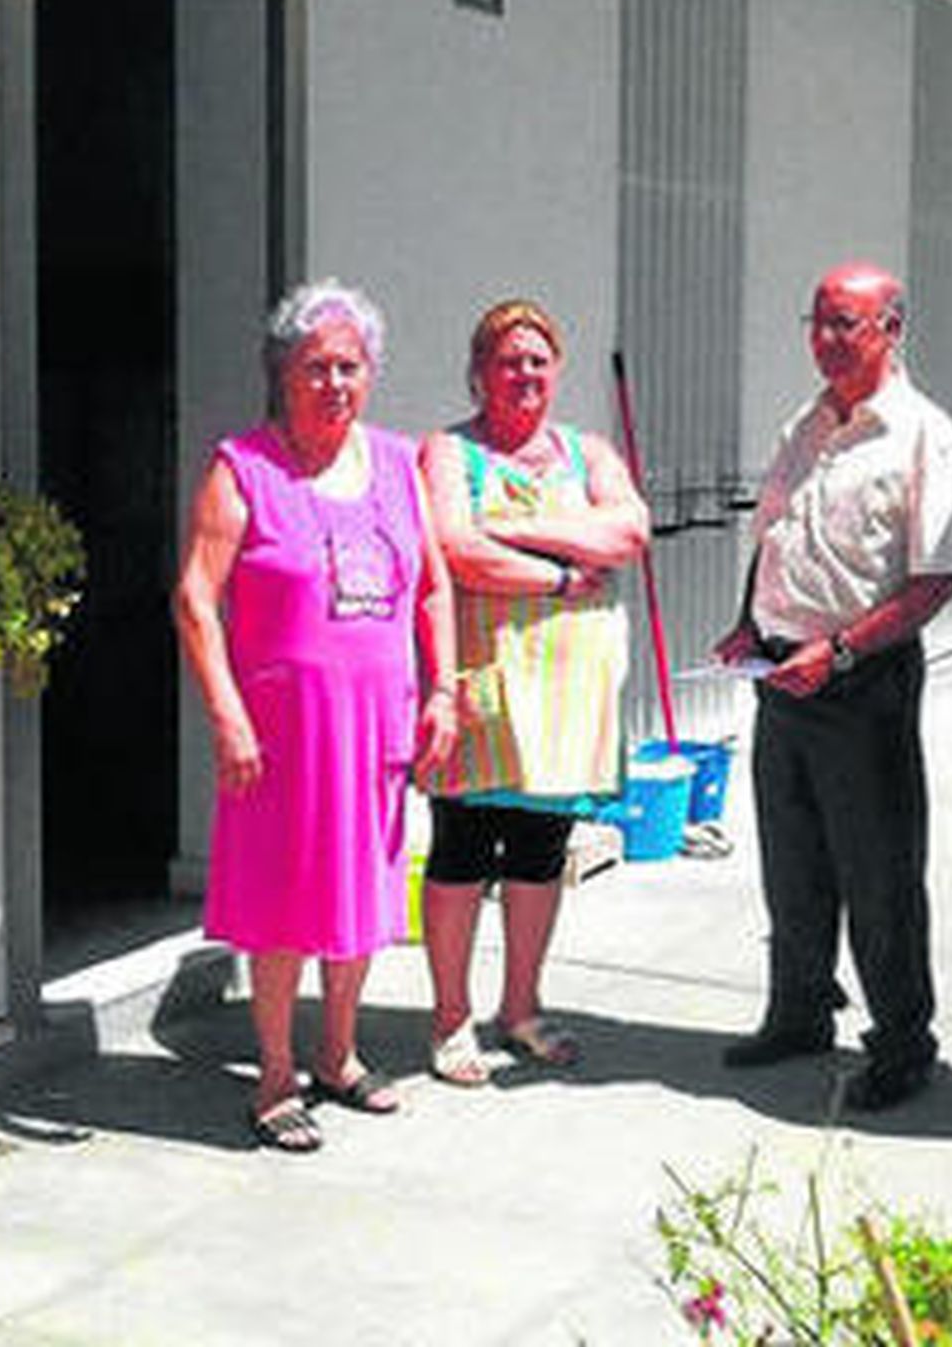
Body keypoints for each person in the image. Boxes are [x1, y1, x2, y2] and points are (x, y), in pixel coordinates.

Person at [174, 280, 459, 1153]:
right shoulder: (244, 466)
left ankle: (337, 1053)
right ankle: (271, 1072)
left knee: (362, 892)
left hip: (376, 726)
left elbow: (434, 585)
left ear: (369, 374)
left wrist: (444, 690)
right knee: (280, 900)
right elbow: (194, 596)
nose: (334, 382)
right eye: (315, 367)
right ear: (282, 374)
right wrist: (226, 714)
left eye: (350, 365)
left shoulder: (398, 462)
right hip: (281, 736)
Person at [716, 261, 952, 1112]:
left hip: (860, 683)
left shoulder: (922, 433)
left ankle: (903, 1041)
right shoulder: (808, 422)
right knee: (792, 864)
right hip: (782, 674)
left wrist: (842, 653)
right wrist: (752, 619)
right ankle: (798, 1010)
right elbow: (778, 529)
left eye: (846, 325)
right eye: (818, 321)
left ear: (892, 329)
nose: (826, 340)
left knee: (879, 874)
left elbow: (935, 580)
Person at [418, 299, 648, 1085]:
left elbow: (629, 533)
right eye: (508, 359)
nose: (524, 373)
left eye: (538, 359)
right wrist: (559, 571)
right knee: (460, 849)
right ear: (479, 372)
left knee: (539, 852)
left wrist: (514, 527)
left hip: (567, 695)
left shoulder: (587, 451)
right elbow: (454, 548)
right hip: (483, 682)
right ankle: (451, 1019)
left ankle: (520, 1007)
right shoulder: (449, 452)